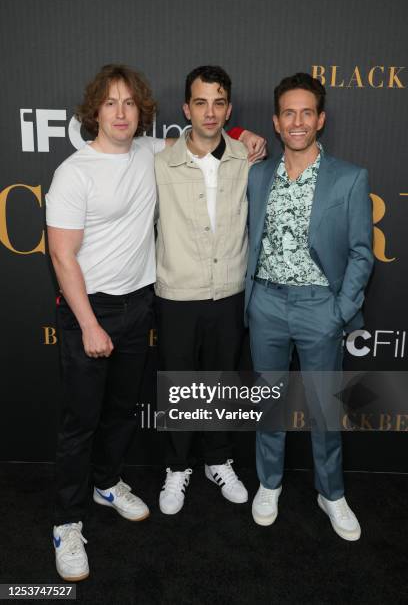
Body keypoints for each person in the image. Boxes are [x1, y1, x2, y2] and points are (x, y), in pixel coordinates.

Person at [46, 63, 265, 581]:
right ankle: (67, 523)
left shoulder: (150, 153)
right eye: (110, 104)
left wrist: (241, 133)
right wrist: (90, 324)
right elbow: (60, 257)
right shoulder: (73, 172)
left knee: (122, 412)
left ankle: (108, 483)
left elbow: (205, 134)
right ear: (94, 111)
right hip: (90, 314)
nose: (121, 113)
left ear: (141, 112)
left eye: (129, 104)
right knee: (80, 424)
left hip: (140, 306)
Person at [245, 72, 373, 540]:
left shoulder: (350, 177)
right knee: (268, 402)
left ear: (319, 119)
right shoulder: (257, 176)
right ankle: (269, 483)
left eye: (306, 113)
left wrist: (338, 311)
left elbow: (362, 251)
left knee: (324, 408)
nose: (296, 122)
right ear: (276, 123)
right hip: (266, 304)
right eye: (287, 113)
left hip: (321, 306)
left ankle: (331, 493)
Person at [155, 66, 258, 515]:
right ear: (186, 109)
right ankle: (177, 468)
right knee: (180, 385)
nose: (210, 112)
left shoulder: (247, 157)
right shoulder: (158, 161)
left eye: (219, 103)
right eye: (200, 102)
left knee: (221, 381)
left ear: (229, 109)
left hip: (230, 289)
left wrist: (246, 136)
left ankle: (218, 459)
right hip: (177, 293)